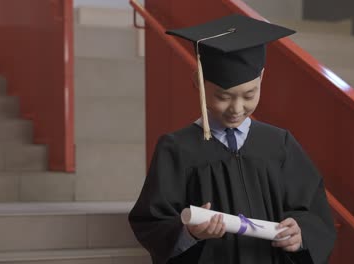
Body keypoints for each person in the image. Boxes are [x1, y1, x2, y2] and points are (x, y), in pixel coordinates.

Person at [129, 14, 336, 264]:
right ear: (199, 82)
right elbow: (151, 221)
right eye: (224, 96)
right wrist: (189, 233)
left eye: (249, 94)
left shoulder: (279, 143)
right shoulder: (176, 149)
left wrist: (300, 232)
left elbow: (313, 209)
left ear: (262, 78)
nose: (236, 108)